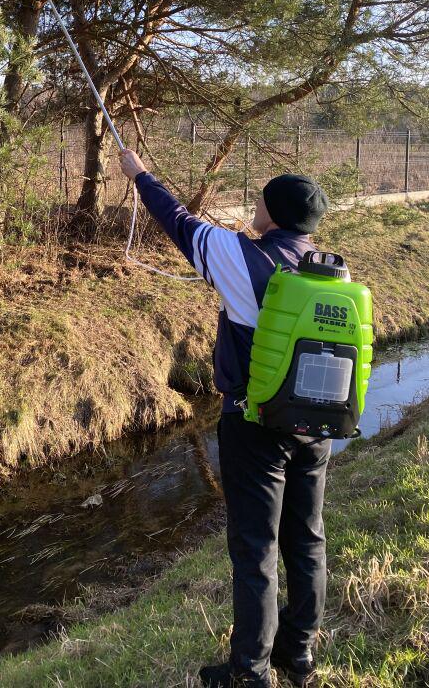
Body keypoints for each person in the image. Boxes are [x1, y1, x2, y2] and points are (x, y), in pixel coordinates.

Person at [119, 149, 330, 688]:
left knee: (255, 550)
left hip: (254, 426)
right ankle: (299, 656)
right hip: (316, 428)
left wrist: (141, 175)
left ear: (276, 214)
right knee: (306, 540)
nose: (253, 205)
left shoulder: (244, 259)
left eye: (260, 200)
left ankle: (250, 673)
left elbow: (180, 224)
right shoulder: (329, 271)